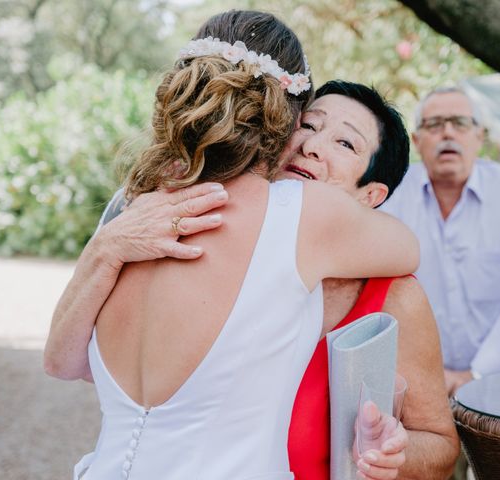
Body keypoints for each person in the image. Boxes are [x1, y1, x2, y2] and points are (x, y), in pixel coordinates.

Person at [51, 11, 420, 480]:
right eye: (309, 125)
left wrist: (104, 248)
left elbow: (63, 362)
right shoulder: (302, 214)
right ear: (285, 118)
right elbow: (409, 247)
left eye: (342, 142)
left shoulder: (133, 210)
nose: (311, 146)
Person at [380, 86, 500, 396]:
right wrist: (428, 376)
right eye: (434, 124)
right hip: (411, 385)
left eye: (460, 123)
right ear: (417, 140)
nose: (448, 133)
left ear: (480, 136)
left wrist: (475, 374)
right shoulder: (389, 197)